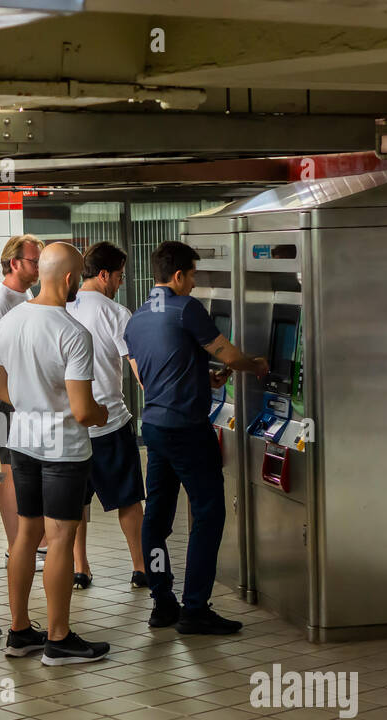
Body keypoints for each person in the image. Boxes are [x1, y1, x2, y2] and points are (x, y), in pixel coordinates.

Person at [125, 241, 269, 636]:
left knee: (155, 518)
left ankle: (162, 600)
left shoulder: (136, 318)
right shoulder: (186, 308)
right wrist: (253, 365)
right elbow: (227, 353)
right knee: (208, 514)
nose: (193, 284)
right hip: (187, 429)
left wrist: (202, 379)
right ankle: (195, 608)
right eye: (192, 276)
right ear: (178, 276)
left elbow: (156, 371)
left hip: (154, 427)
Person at [0, 242, 110, 665]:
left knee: (26, 534)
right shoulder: (73, 332)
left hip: (21, 443)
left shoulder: (10, 321)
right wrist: (101, 413)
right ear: (70, 279)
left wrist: (31, 405)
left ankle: (20, 632)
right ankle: (58, 639)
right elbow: (81, 409)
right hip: (63, 451)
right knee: (60, 538)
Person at [66, 242, 148, 591]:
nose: (119, 282)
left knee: (76, 502)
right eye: (118, 276)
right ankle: (142, 568)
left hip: (70, 423)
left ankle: (80, 568)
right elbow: (140, 371)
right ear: (103, 275)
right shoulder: (116, 313)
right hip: (110, 420)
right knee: (128, 499)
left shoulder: (62, 308)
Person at [0, 235, 47, 571]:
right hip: (3, 398)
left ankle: (30, 543)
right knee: (10, 470)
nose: (38, 267)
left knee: (26, 467)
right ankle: (13, 547)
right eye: (34, 261)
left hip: (26, 395)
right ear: (15, 263)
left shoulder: (26, 294)